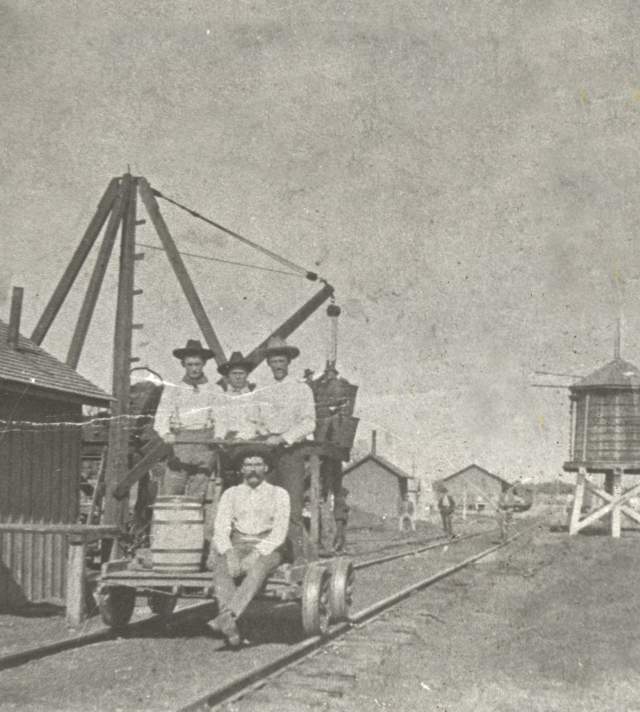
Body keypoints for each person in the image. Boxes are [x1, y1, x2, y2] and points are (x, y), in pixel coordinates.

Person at [209, 445, 290, 647]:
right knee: (221, 567)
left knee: (258, 569)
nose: (252, 469)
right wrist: (229, 553)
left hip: (268, 545)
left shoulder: (279, 494)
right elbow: (221, 528)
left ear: (266, 468)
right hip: (237, 542)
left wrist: (256, 554)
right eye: (247, 465)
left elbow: (280, 532)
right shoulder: (231, 494)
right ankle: (231, 624)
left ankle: (228, 616)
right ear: (241, 470)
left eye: (258, 464)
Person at [257, 336, 316, 563]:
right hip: (266, 454)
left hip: (291, 453)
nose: (278, 365)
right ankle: (269, 558)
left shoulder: (301, 390)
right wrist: (265, 434)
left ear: (288, 362)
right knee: (265, 506)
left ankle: (299, 558)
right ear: (268, 364)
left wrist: (283, 437)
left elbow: (309, 422)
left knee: (292, 507)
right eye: (274, 361)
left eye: (282, 361)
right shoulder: (262, 391)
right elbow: (255, 419)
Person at [153, 339, 219, 499]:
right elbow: (162, 414)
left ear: (203, 364)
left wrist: (218, 435)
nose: (194, 369)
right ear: (184, 365)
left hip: (205, 443)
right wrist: (165, 433)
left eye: (197, 364)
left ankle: (193, 523)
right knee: (172, 490)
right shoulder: (173, 389)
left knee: (198, 493)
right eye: (190, 364)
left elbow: (221, 417)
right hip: (180, 442)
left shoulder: (214, 389)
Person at [332, 487, 350, 553]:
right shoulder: (339, 499)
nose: (346, 496)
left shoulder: (341, 499)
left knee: (343, 534)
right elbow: (345, 507)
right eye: (346, 494)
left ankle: (342, 548)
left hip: (343, 518)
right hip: (340, 517)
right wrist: (347, 507)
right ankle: (334, 546)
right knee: (339, 532)